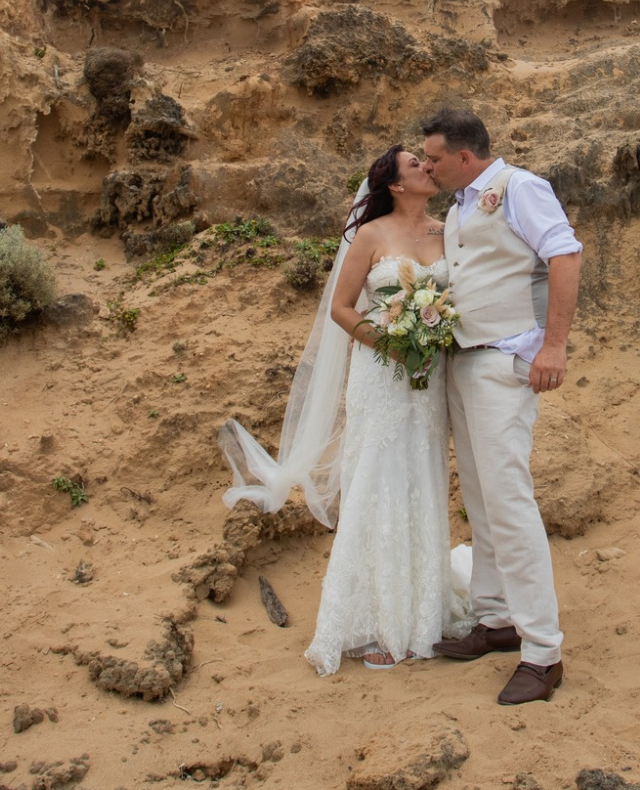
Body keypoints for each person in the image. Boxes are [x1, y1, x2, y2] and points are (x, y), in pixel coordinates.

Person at [216, 144, 472, 675]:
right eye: (415, 165)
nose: (428, 166)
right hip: (382, 374)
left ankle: (422, 612)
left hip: (428, 377)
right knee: (377, 478)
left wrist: (433, 334)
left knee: (422, 476)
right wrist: (389, 341)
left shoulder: (448, 229)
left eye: (427, 162)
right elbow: (341, 306)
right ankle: (376, 620)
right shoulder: (371, 234)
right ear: (396, 185)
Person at [419, 108, 581, 706]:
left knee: (509, 499)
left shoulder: (520, 188)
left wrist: (554, 344)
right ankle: (496, 620)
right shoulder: (461, 203)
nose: (427, 166)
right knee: (482, 497)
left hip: (504, 361)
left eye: (433, 157)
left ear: (465, 156)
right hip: (462, 360)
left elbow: (564, 256)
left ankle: (543, 653)